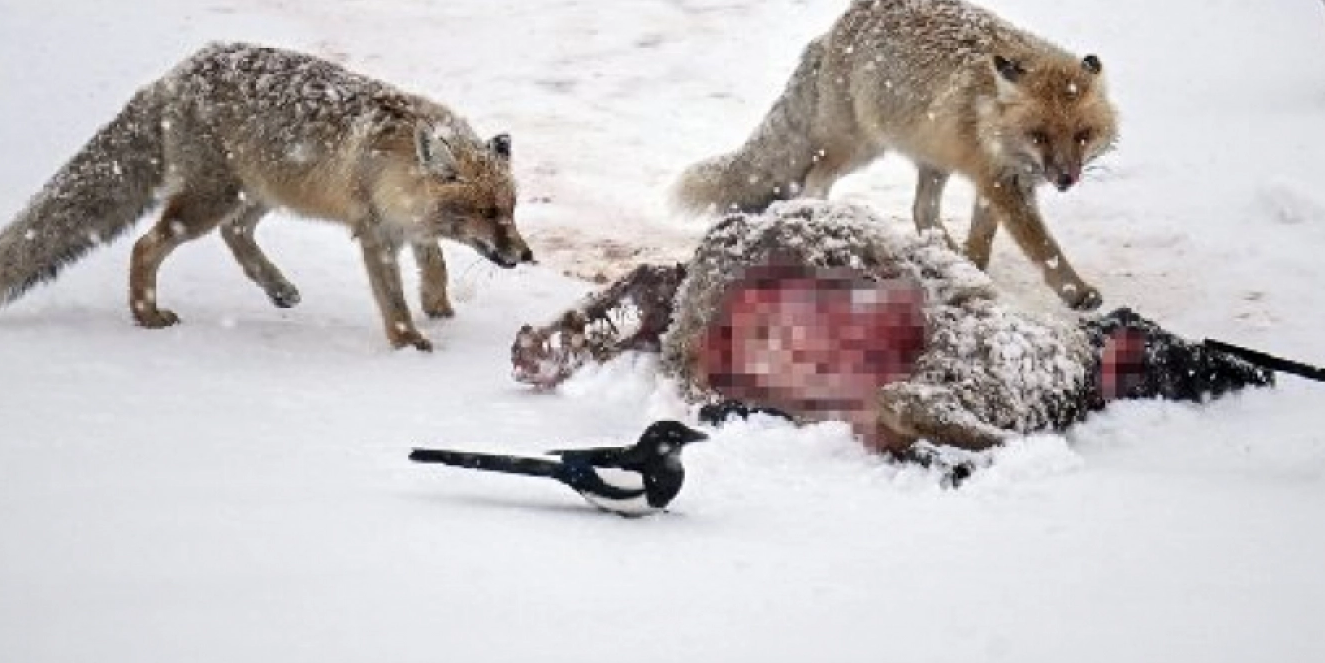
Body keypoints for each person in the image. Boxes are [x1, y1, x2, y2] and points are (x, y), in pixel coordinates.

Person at [512, 201, 1270, 458]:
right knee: (1027, 358)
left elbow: (654, 295)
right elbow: (656, 297)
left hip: (771, 274)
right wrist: (577, 330)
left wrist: (576, 333)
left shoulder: (983, 342)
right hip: (784, 276)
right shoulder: (1026, 356)